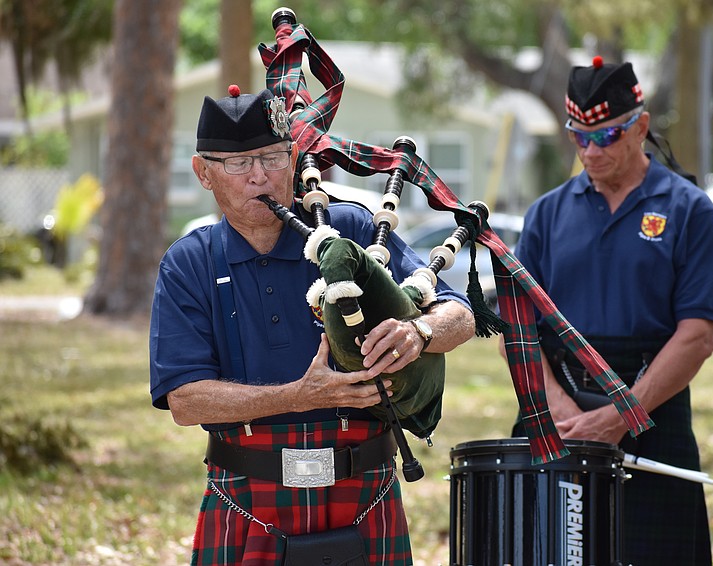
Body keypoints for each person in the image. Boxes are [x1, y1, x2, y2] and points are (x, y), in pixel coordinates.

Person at [149, 86, 475, 565]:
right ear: (204, 173)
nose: (260, 176)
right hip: (247, 496)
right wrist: (300, 396)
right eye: (239, 164)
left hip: (363, 490)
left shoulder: (351, 231)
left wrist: (417, 333)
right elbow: (184, 399)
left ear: (296, 156)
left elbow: (460, 315)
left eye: (274, 157)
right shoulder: (188, 263)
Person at [506, 57, 713, 565]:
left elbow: (696, 336)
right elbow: (515, 332)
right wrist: (561, 411)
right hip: (554, 410)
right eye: (578, 137)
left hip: (653, 410)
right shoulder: (545, 214)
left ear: (641, 127)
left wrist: (622, 416)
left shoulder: (689, 209)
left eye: (605, 136)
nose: (590, 150)